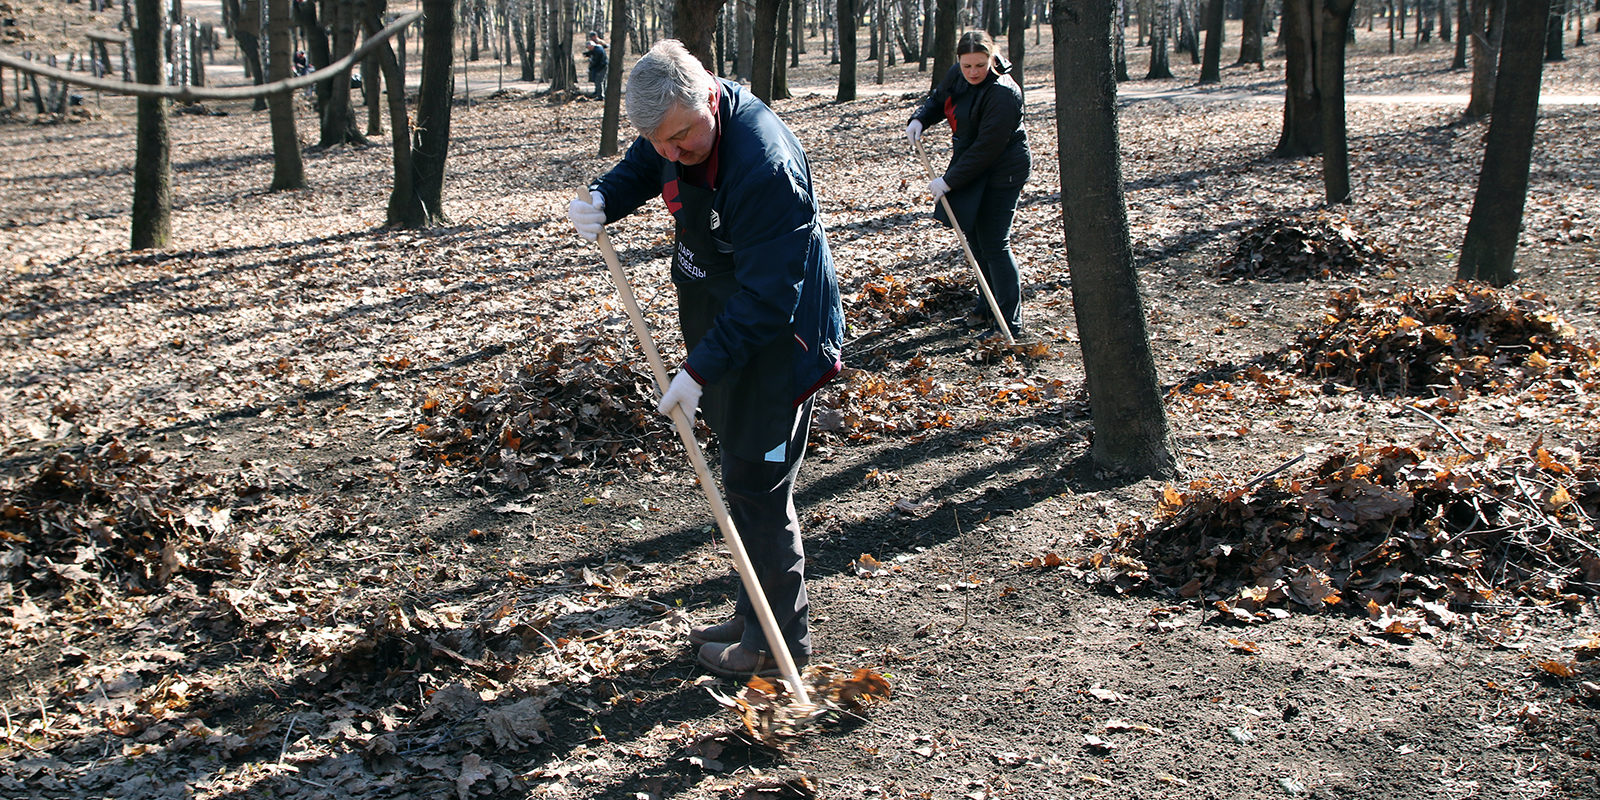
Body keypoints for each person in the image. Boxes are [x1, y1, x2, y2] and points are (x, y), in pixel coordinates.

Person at [566, 39, 844, 679]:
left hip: (778, 340)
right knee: (742, 476)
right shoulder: (673, 127)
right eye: (661, 140)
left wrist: (696, 371)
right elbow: (643, 162)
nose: (671, 152)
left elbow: (771, 297)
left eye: (682, 138)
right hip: (724, 324)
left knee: (757, 487)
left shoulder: (763, 166)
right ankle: (757, 612)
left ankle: (779, 649)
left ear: (710, 97)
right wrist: (607, 198)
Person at [904, 30, 1032, 337]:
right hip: (971, 166)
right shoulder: (957, 75)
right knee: (974, 239)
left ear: (992, 59)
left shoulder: (1004, 93)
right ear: (959, 62)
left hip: (1003, 171)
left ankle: (1009, 324)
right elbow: (938, 99)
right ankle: (985, 309)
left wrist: (948, 181)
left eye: (980, 65)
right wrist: (920, 118)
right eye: (967, 65)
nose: (973, 72)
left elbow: (987, 147)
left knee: (994, 243)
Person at [584, 32, 608, 100]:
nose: (589, 49)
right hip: (601, 66)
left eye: (589, 48)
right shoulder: (596, 47)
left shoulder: (598, 49)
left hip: (602, 66)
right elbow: (592, 52)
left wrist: (591, 68)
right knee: (600, 81)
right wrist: (587, 54)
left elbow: (596, 61)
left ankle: (600, 96)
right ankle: (598, 93)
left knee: (599, 81)